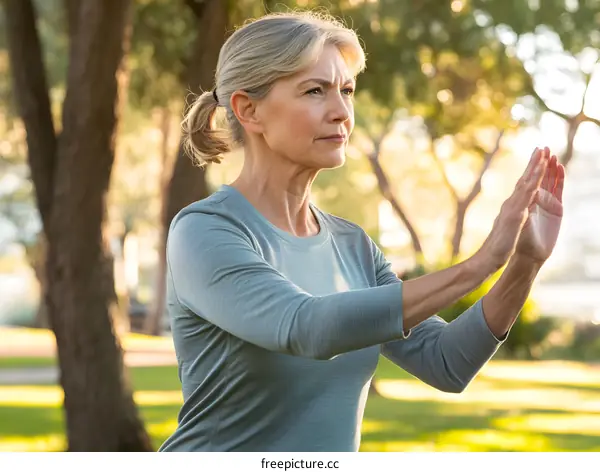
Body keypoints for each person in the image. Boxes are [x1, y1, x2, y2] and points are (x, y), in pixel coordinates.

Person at [158, 11, 565, 452]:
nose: (341, 112)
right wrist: (480, 264)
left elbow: (446, 362)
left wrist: (523, 263)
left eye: (346, 90)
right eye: (315, 91)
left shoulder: (352, 245)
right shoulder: (205, 231)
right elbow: (305, 327)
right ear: (248, 110)